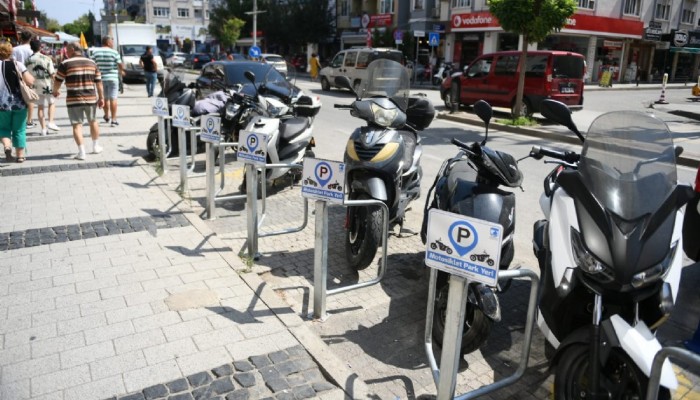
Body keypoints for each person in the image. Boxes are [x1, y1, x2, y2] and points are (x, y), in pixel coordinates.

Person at [53, 42, 104, 160]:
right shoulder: (92, 63)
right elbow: (99, 82)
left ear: (72, 49)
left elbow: (58, 80)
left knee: (77, 125)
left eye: (67, 50)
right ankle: (95, 147)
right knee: (93, 121)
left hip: (73, 99)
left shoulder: (65, 63)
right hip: (91, 98)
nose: (66, 52)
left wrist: (55, 91)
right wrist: (101, 98)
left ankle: (81, 153)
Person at [0, 41, 34, 163]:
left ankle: (7, 146)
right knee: (19, 129)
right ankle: (20, 156)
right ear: (10, 51)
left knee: (3, 128)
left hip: (1, 105)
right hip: (19, 103)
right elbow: (30, 81)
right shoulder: (18, 64)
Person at [25, 39, 59, 136]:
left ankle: (43, 129)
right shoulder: (47, 59)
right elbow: (52, 74)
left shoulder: (27, 60)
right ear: (40, 47)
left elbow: (26, 74)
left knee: (40, 107)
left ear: (31, 48)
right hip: (47, 85)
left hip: (35, 86)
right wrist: (57, 87)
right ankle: (51, 122)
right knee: (51, 103)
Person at [91, 35, 124, 127]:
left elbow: (92, 64)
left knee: (104, 98)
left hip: (100, 79)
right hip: (113, 78)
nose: (113, 43)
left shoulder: (95, 52)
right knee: (113, 98)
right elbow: (120, 64)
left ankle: (106, 115)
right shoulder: (114, 52)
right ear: (108, 42)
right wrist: (122, 71)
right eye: (112, 42)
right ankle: (113, 120)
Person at [12, 31, 34, 128]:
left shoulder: (14, 49)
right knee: (29, 97)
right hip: (29, 75)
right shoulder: (32, 49)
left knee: (18, 97)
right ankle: (29, 120)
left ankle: (18, 119)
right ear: (30, 39)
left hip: (17, 76)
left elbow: (12, 63)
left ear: (21, 38)